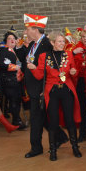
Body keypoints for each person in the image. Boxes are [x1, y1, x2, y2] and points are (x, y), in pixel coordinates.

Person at [28, 31, 82, 161]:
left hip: (66, 90)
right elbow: (40, 75)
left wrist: (74, 72)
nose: (62, 44)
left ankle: (75, 147)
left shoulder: (68, 54)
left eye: (63, 41)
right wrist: (32, 68)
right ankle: (53, 151)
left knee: (70, 119)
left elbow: (74, 71)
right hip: (52, 91)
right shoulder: (43, 56)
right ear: (52, 43)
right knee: (53, 121)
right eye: (59, 41)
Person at [20, 14, 68, 158]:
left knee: (35, 118)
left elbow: (51, 68)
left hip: (41, 88)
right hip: (33, 87)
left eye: (27, 29)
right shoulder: (34, 45)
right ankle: (60, 137)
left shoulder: (47, 44)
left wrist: (44, 89)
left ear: (35, 29)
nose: (25, 32)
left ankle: (36, 147)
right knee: (42, 116)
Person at [0, 31, 27, 130]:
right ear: (6, 41)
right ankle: (16, 120)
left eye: (14, 38)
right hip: (6, 79)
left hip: (15, 79)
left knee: (17, 98)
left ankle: (16, 119)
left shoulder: (15, 50)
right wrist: (13, 67)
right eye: (9, 38)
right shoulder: (2, 49)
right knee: (14, 98)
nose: (12, 40)